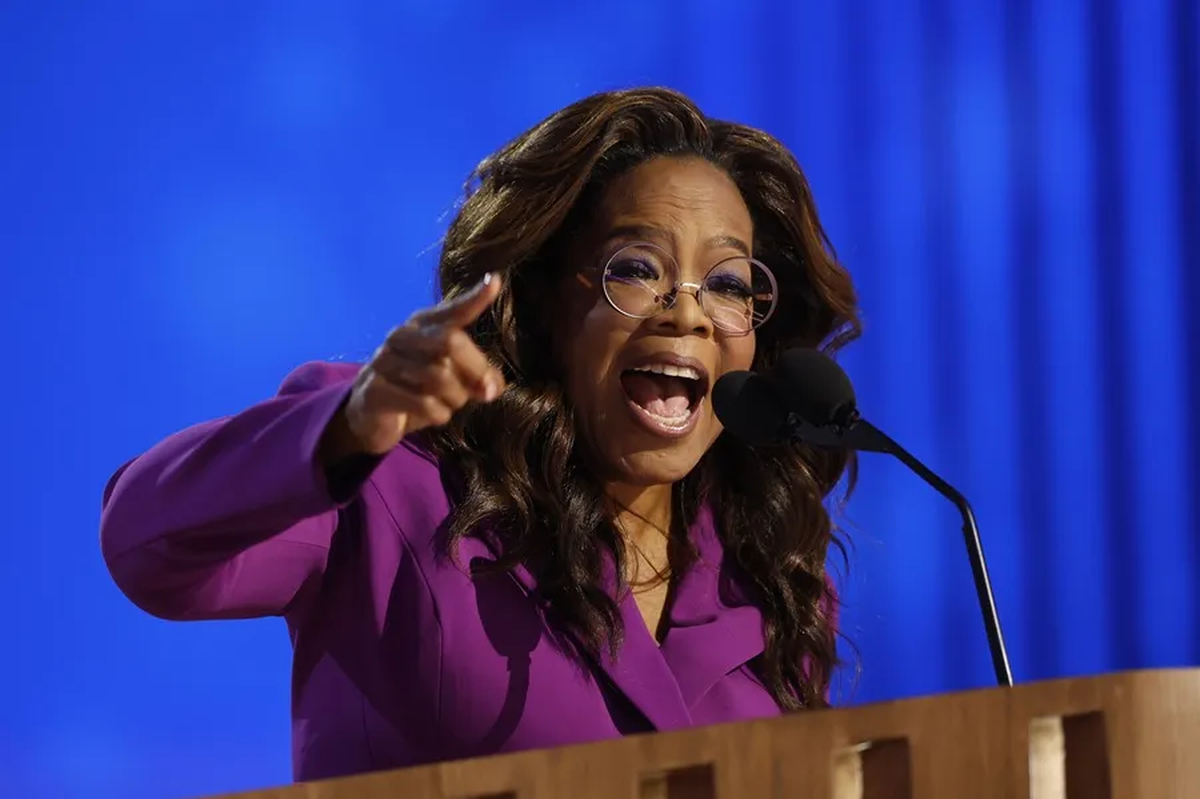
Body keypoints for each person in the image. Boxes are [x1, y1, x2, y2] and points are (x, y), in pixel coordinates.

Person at [100, 86, 862, 784]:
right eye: (637, 268)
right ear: (542, 305)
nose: (688, 313)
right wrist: (348, 428)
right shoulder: (394, 482)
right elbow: (146, 541)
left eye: (729, 283)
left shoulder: (772, 585)